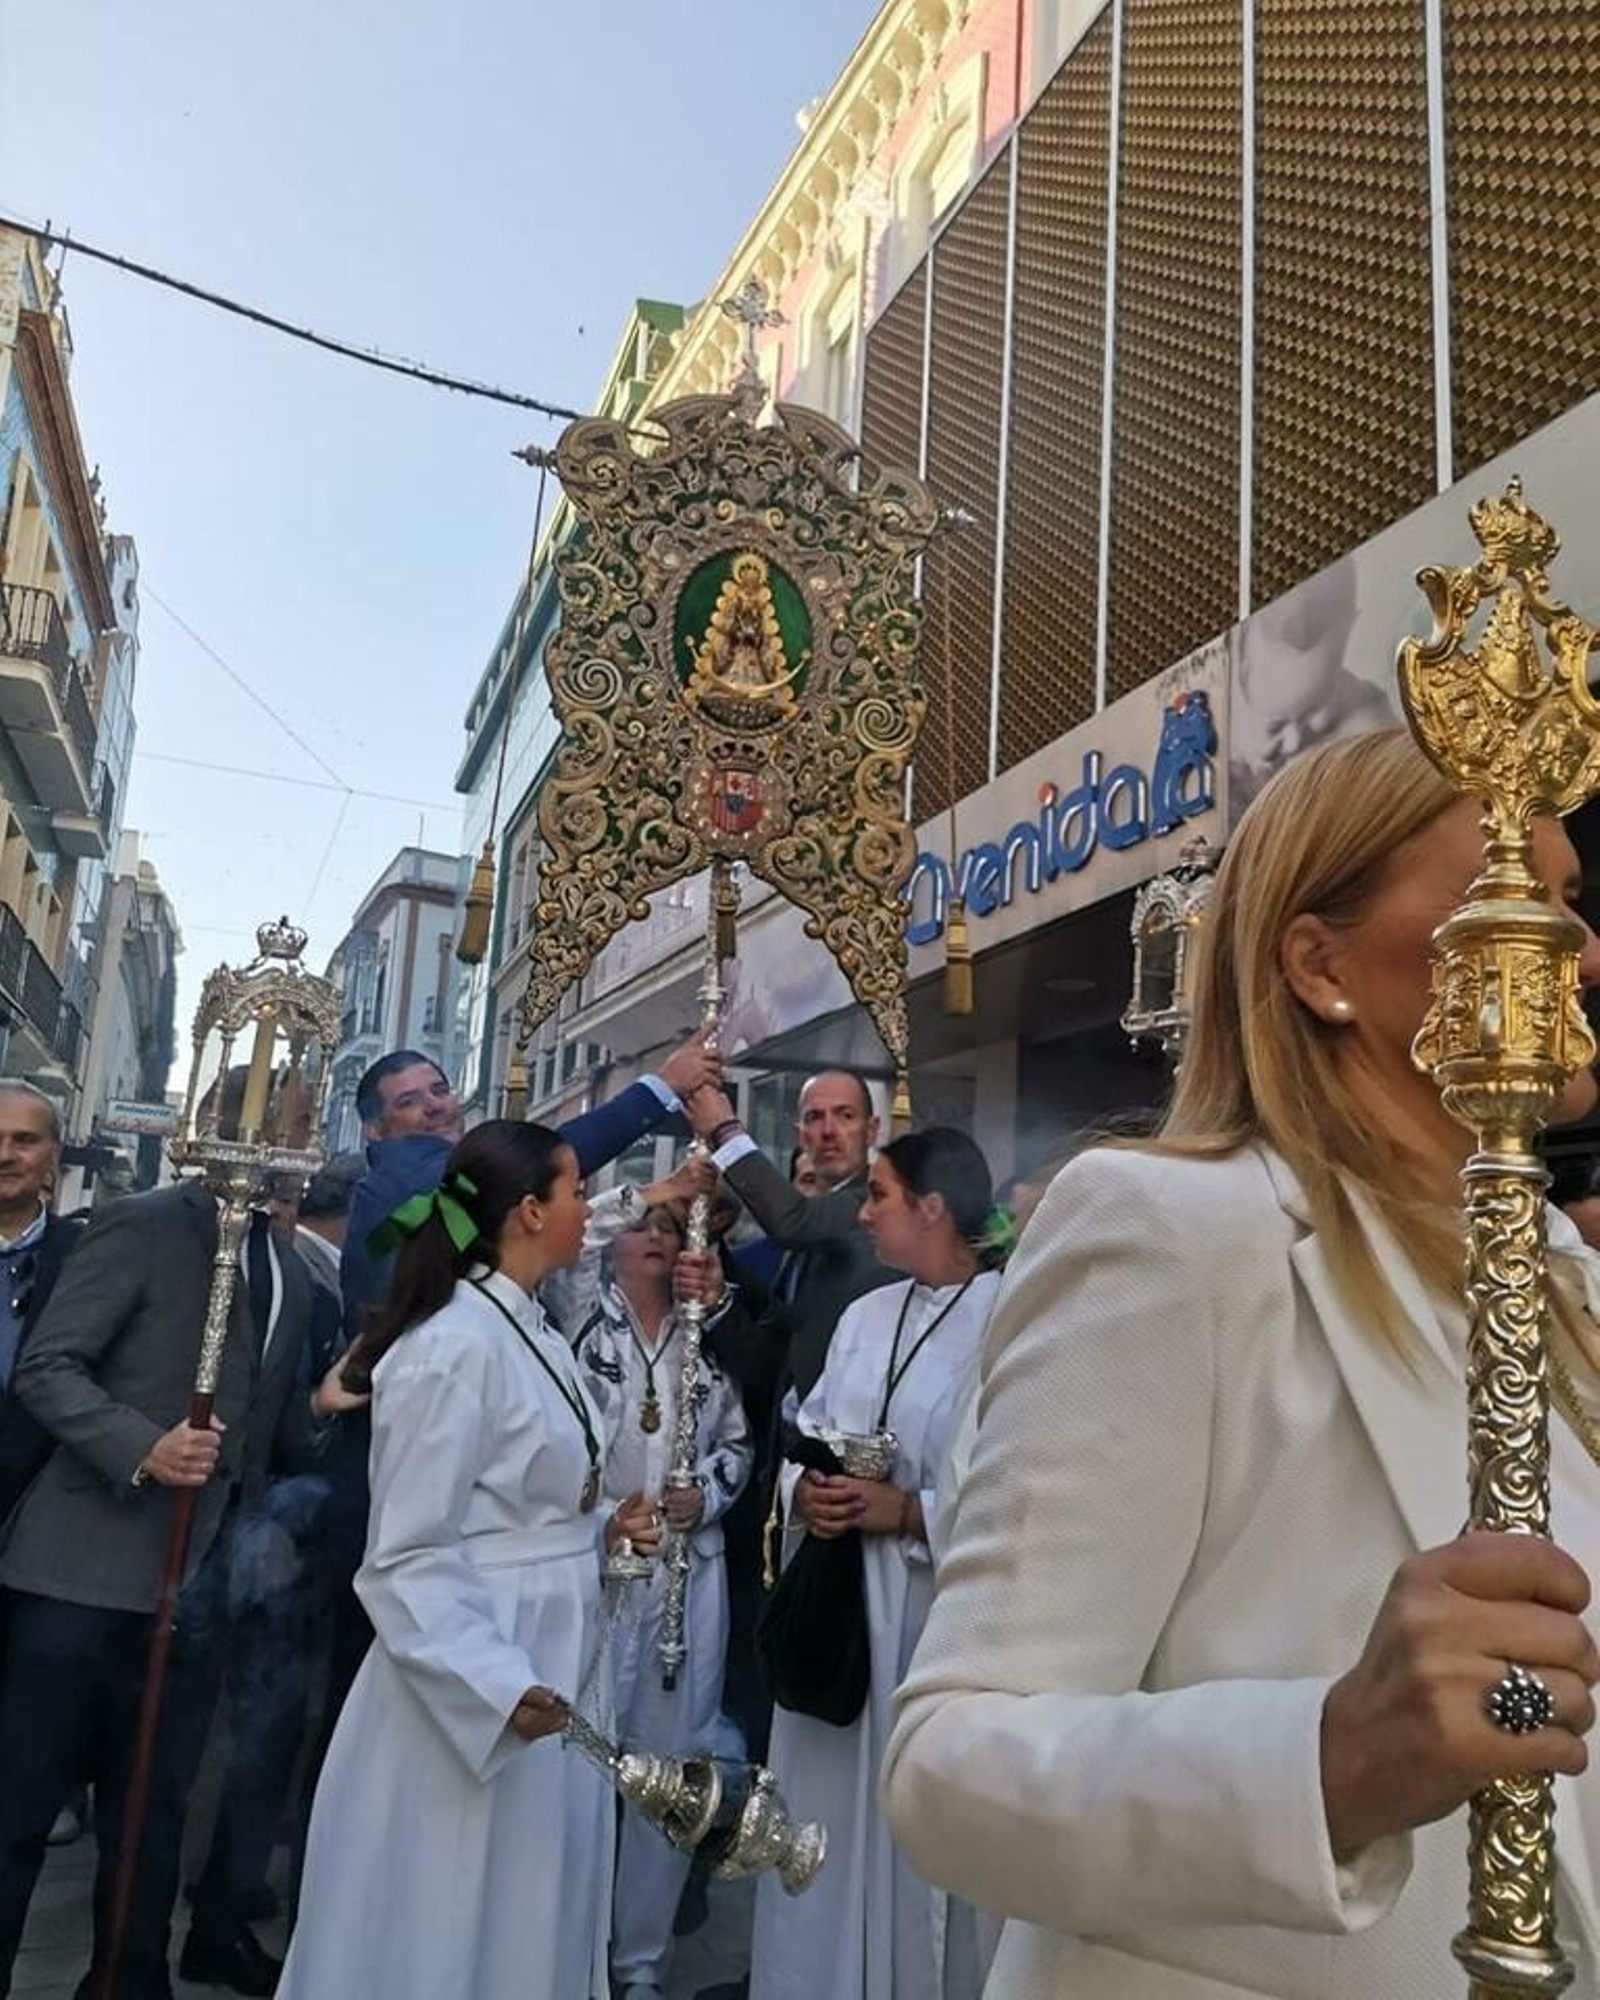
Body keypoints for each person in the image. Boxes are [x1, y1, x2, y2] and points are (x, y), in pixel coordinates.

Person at [882, 729, 1600, 1998]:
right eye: (1516, 891)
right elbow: (951, 1763)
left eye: (1568, 899)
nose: (1578, 951)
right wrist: (1325, 1760)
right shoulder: (1175, 1231)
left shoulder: (1557, 1266)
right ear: (1320, 962)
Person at [280, 1122, 660, 2000]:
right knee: (456, 1900)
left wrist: (598, 1528)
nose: (584, 1211)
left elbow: (519, 1497)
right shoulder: (451, 1344)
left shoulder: (527, 1325)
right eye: (574, 1193)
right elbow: (406, 1555)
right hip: (479, 1663)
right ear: (530, 1211)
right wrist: (489, 1681)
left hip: (550, 1644)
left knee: (529, 1902)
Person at [0, 1173, 349, 1999]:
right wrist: (142, 1446)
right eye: (284, 1118)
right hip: (79, 1574)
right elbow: (48, 1366)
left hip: (199, 1590)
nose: (295, 1148)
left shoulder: (290, 1266)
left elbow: (272, 1434)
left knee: (151, 1818)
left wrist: (327, 1403)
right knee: (17, 1809)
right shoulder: (143, 1224)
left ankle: (127, 1980)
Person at [751, 1128, 1008, 2000]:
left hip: (926, 1619)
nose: (861, 1213)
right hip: (837, 1612)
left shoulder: (1007, 1320)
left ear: (933, 1208)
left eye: (880, 1196)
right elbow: (809, 1433)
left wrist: (916, 1513)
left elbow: (1026, 1490)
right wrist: (804, 1494)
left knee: (909, 1852)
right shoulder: (865, 1316)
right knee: (818, 1827)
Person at [182, 1158, 368, 1979]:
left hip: (287, 1534)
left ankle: (223, 1902)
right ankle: (203, 1905)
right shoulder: (261, 1271)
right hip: (226, 1540)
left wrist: (321, 1410)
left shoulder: (305, 1281)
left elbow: (295, 1419)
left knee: (268, 1731)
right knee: (234, 1736)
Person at [573, 1203, 752, 2000]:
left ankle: (638, 1966)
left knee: (671, 1770)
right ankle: (564, 1950)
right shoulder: (576, 1315)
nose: (656, 1235)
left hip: (686, 1575)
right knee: (577, 1762)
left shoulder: (706, 1332)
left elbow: (739, 1444)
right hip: (596, 1563)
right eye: (640, 1221)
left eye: (671, 1226)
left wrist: (706, 1495)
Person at [339, 1028, 723, 1327]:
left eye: (440, 1091)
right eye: (408, 1102)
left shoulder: (444, 1193)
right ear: (374, 1130)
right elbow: (534, 1162)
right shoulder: (404, 1180)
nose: (434, 1107)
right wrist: (661, 1088)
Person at [0, 1081, 86, 1527]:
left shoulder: (90, 1258)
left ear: (54, 1153)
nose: (5, 1155)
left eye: (25, 1140)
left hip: (39, 1519)